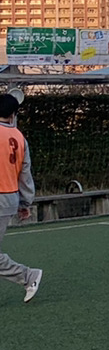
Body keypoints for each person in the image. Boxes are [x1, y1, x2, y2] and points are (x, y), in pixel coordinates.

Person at [0, 93, 41, 304]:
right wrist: (25, 202)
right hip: (9, 198)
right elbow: (25, 175)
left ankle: (27, 276)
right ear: (13, 114)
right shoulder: (19, 138)